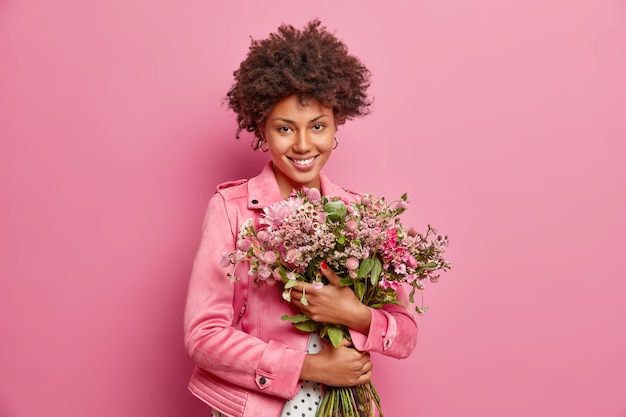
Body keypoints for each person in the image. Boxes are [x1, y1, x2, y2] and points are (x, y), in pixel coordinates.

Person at [183, 20, 418, 417]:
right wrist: (312, 368)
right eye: (286, 129)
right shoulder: (232, 210)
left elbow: (406, 335)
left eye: (318, 127)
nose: (304, 144)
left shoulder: (362, 216)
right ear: (262, 128)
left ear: (337, 123)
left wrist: (353, 314)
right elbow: (203, 336)